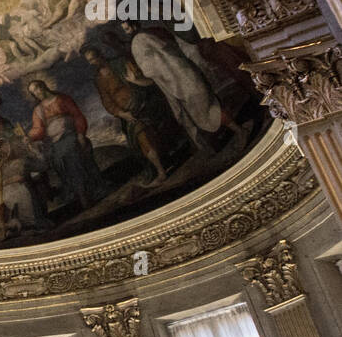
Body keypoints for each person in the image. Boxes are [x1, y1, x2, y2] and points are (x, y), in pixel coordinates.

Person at [120, 19, 247, 153]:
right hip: (180, 82)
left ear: (134, 26)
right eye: (125, 30)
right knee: (206, 111)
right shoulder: (145, 43)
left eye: (127, 29)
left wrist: (139, 78)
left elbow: (153, 67)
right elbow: (153, 75)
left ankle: (240, 131)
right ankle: (232, 134)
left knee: (209, 110)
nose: (127, 33)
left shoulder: (141, 40)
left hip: (185, 80)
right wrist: (135, 81)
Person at [83, 46, 175, 184]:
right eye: (89, 61)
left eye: (93, 58)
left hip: (143, 103)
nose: (93, 62)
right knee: (140, 136)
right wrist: (121, 113)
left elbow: (143, 80)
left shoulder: (120, 63)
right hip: (127, 114)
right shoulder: (99, 80)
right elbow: (107, 101)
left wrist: (135, 89)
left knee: (147, 133)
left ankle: (162, 170)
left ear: (100, 54)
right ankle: (160, 170)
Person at [26, 80, 106, 212]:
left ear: (43, 86)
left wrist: (80, 134)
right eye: (33, 92)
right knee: (56, 159)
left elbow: (77, 116)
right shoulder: (38, 110)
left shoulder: (62, 99)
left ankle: (85, 193)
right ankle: (77, 193)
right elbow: (38, 129)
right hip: (54, 142)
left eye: (37, 88)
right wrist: (29, 136)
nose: (37, 92)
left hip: (70, 135)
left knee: (71, 154)